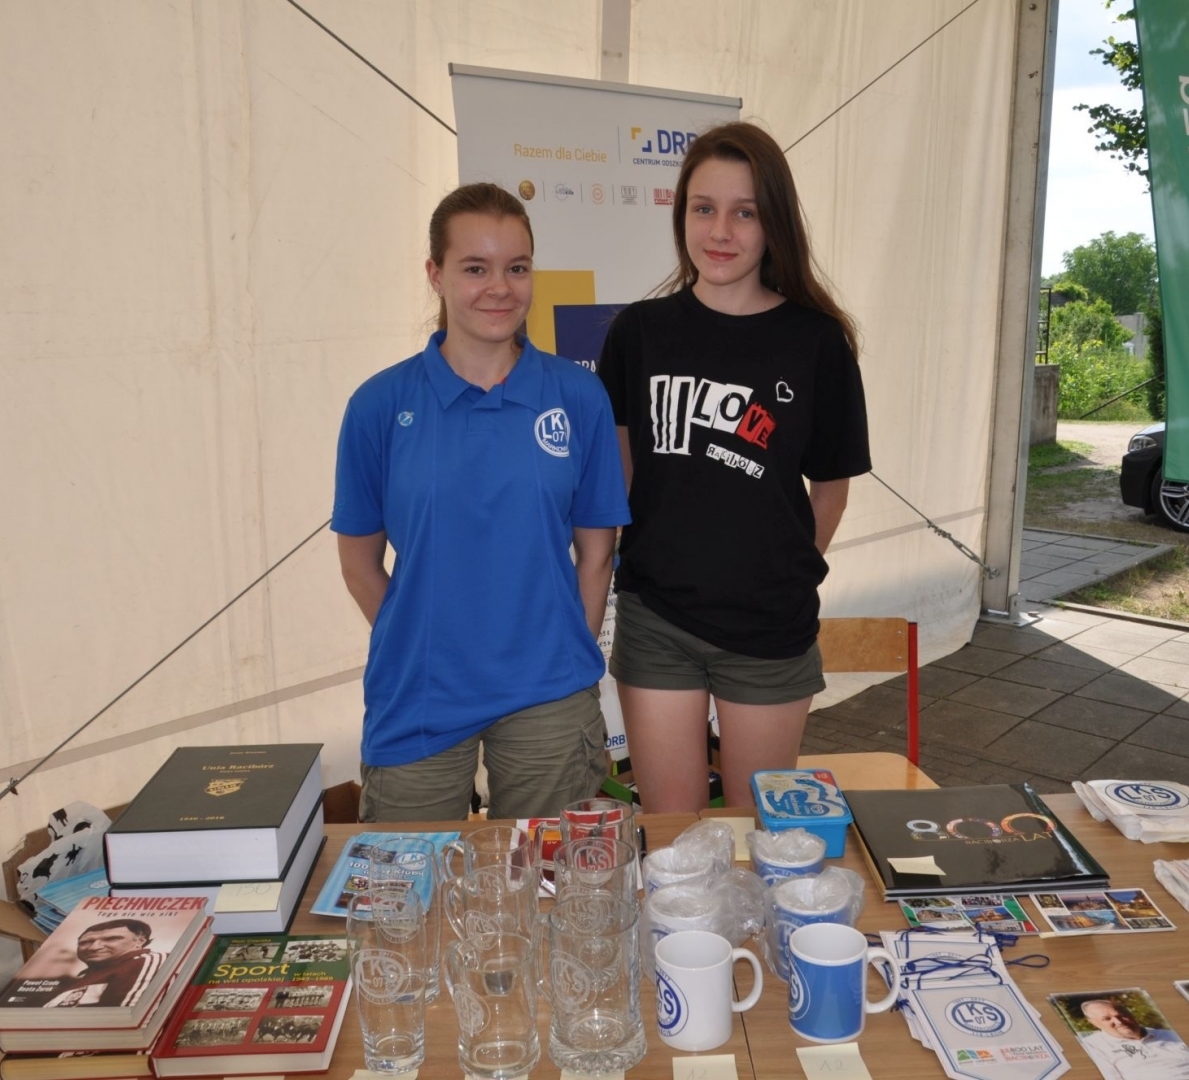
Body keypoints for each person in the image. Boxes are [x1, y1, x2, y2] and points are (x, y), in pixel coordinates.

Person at [334, 182, 630, 823]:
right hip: (418, 693)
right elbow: (359, 564)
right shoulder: (378, 407)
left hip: (550, 694)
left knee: (555, 890)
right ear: (435, 275)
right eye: (476, 268)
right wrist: (422, 640)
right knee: (406, 900)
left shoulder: (579, 397)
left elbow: (597, 552)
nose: (500, 287)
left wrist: (562, 651)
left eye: (516, 268)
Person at [596, 121, 871, 811]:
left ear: (772, 221)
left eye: (744, 212)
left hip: (768, 628)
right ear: (680, 213)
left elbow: (829, 491)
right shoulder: (639, 332)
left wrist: (782, 577)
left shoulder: (815, 342)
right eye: (703, 208)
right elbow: (619, 472)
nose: (720, 231)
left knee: (759, 837)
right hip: (656, 616)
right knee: (672, 837)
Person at [43, 919, 162, 1008]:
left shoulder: (143, 962)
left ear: (140, 941)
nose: (94, 947)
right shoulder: (84, 976)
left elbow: (125, 1019)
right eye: (86, 942)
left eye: (111, 939)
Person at [1078, 998, 1189, 1079]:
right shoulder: (1094, 1046)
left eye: (1121, 1015)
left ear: (1130, 1014)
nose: (1118, 1021)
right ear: (1094, 1023)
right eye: (1106, 1019)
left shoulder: (1171, 1035)